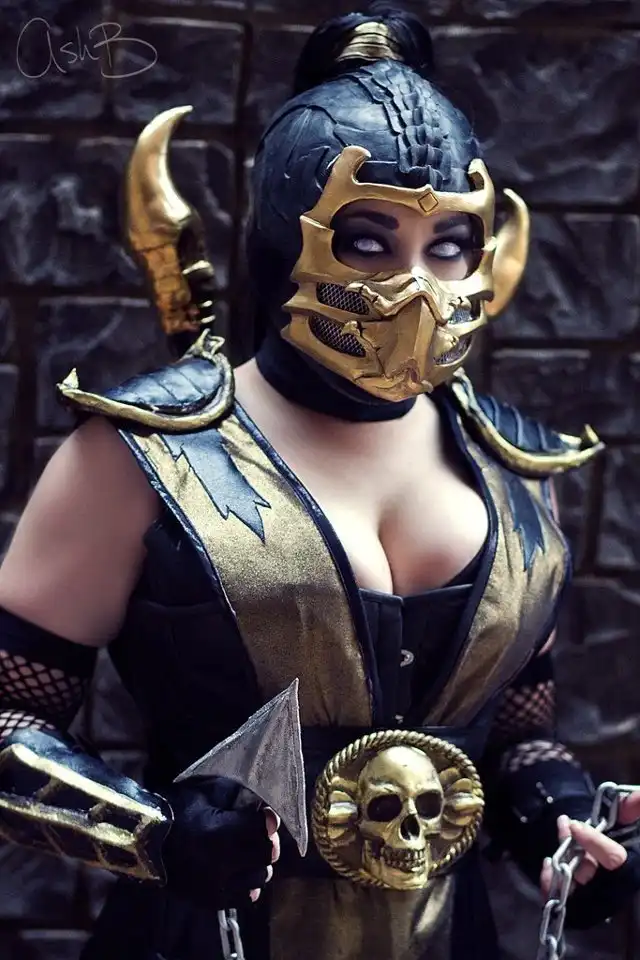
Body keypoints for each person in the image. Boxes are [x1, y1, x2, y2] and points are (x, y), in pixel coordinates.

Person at [0, 5, 638, 959]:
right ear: (286, 237)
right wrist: (154, 832)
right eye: (369, 239)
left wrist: (558, 821)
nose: (417, 284)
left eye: (449, 243)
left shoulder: (516, 470)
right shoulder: (138, 454)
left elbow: (514, 736)